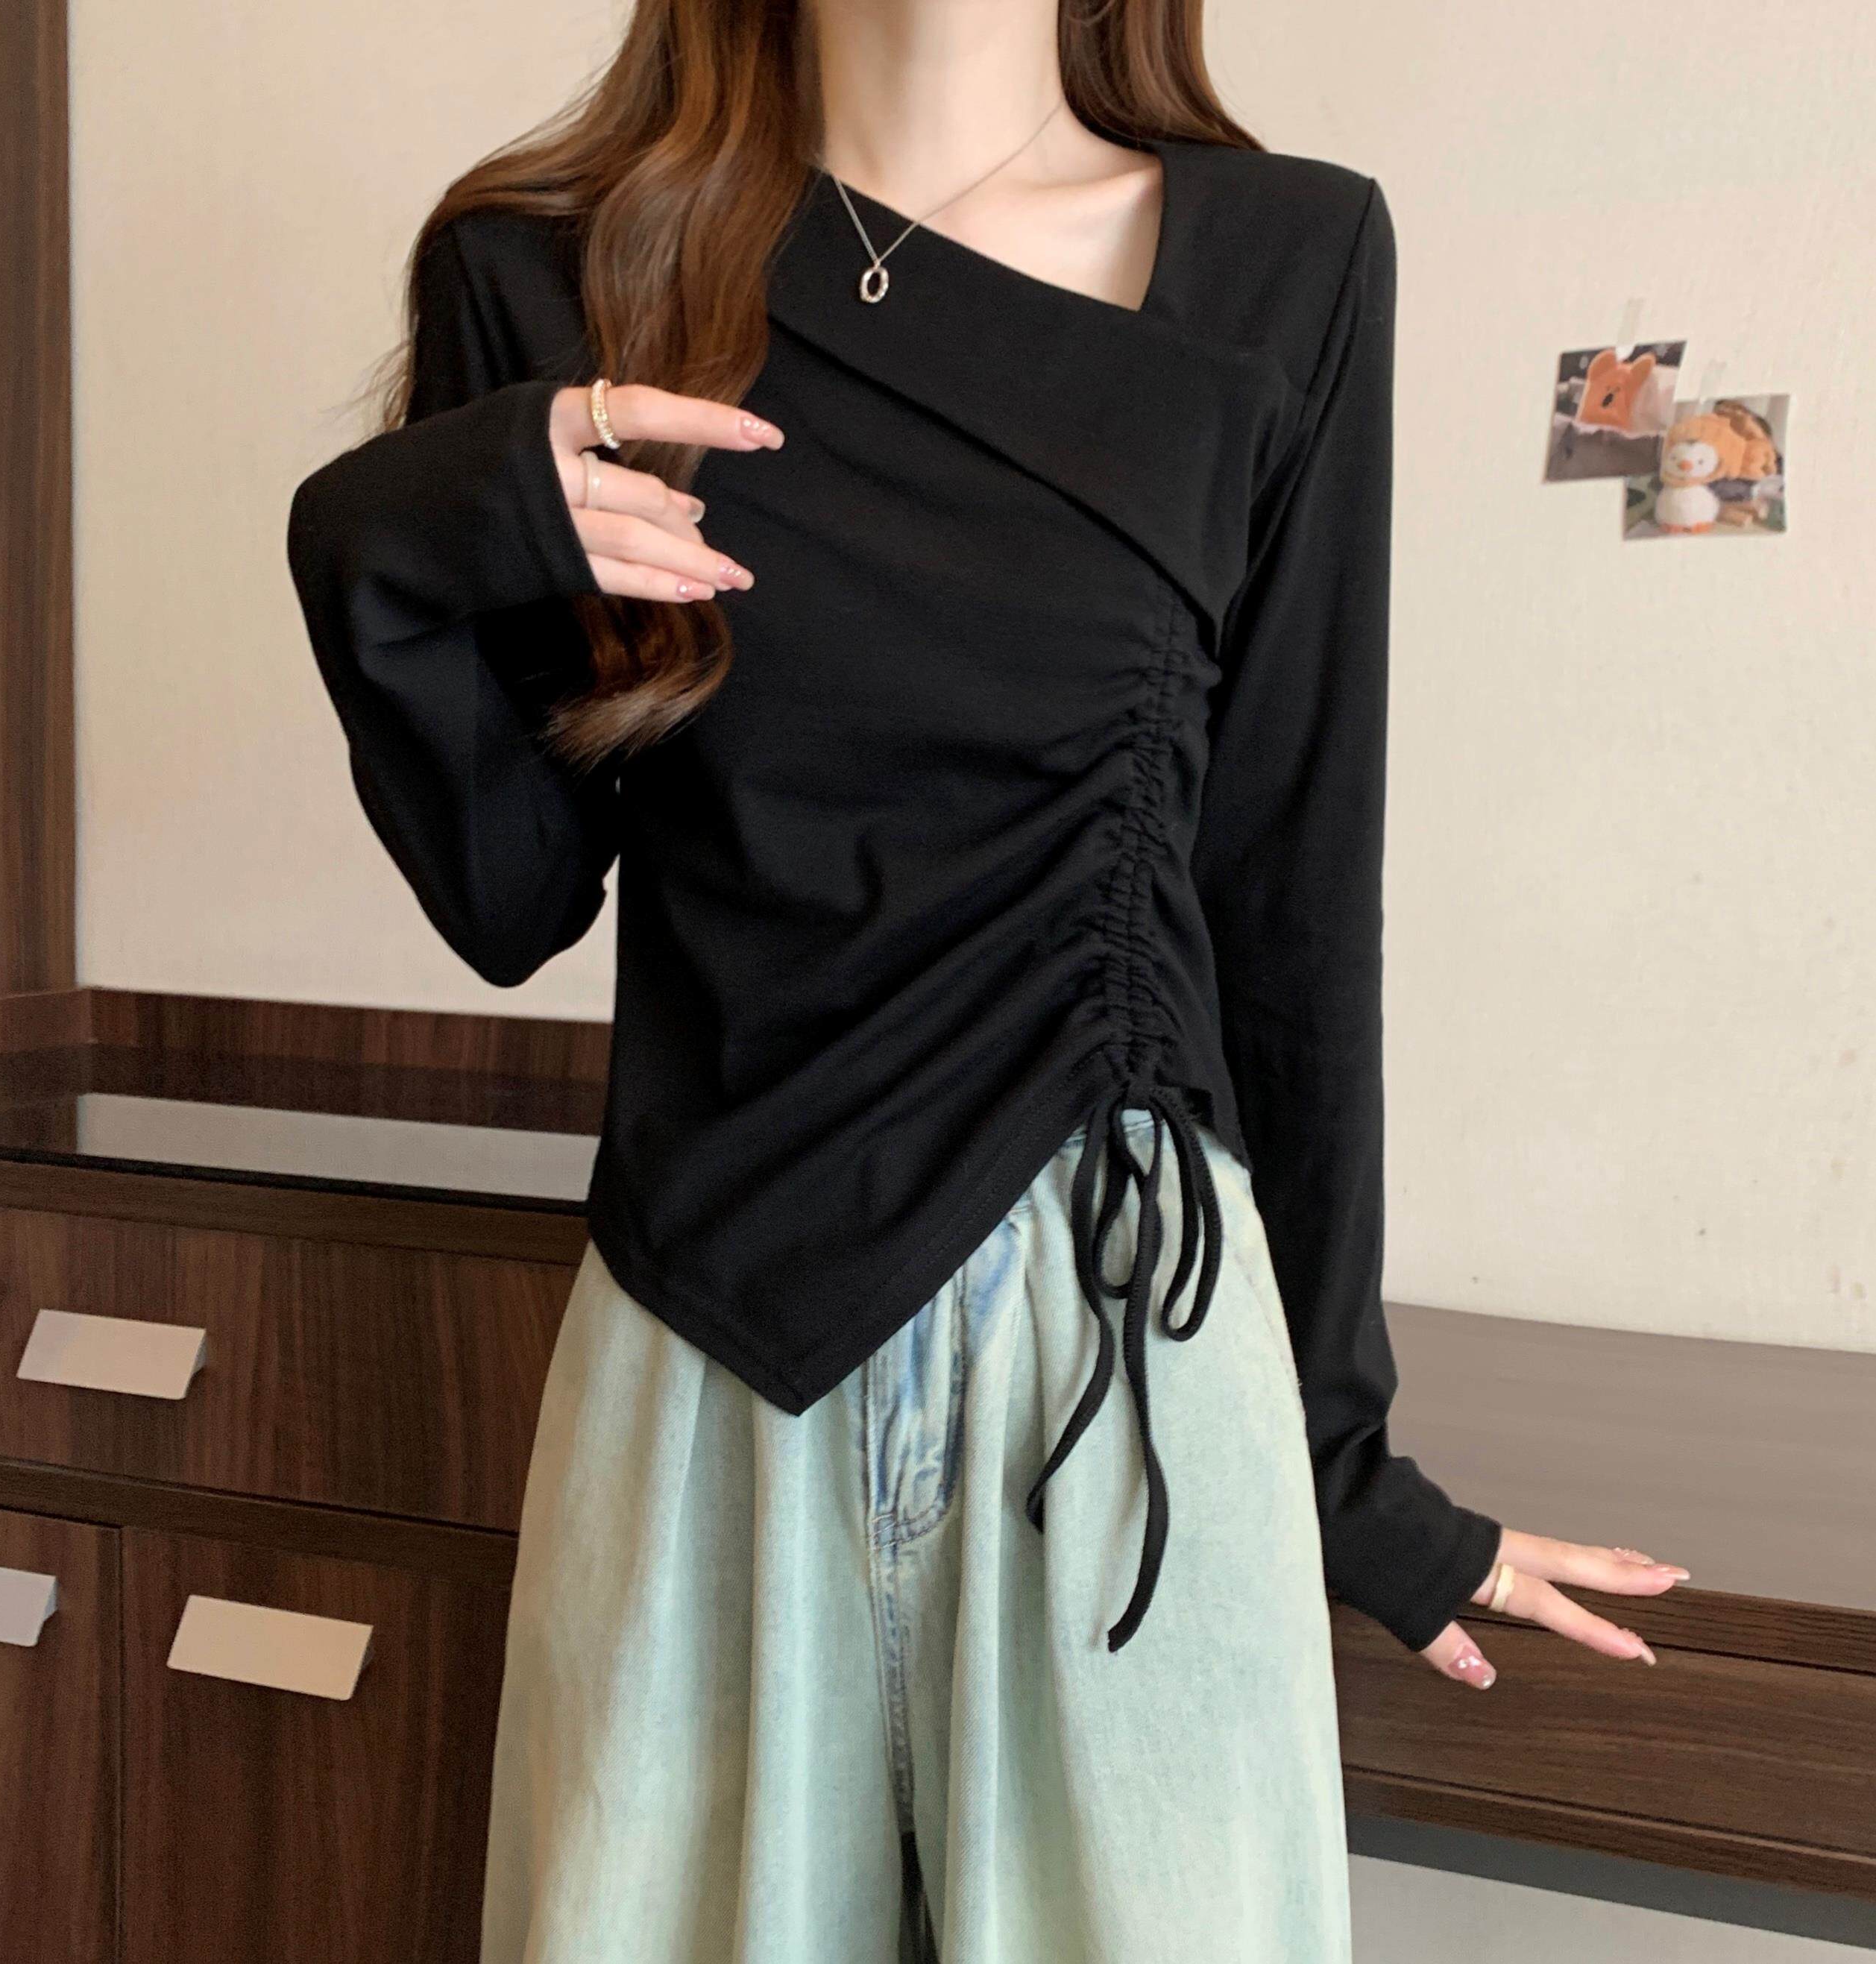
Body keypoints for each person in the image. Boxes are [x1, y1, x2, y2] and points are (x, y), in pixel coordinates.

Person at [283, 1, 1689, 1956]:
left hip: (1127, 1356)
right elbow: (513, 896)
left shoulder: (1288, 261)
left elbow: (1289, 896)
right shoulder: (550, 268)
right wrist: (377, 533)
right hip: (712, 1354)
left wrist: (1339, 1462)